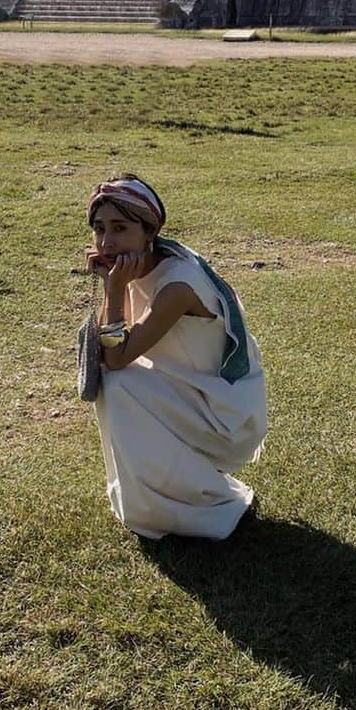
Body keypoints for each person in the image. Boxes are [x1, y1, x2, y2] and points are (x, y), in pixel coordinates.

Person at [86, 174, 267, 541]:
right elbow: (114, 349)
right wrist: (115, 285)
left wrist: (114, 288)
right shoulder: (146, 263)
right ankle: (170, 498)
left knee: (120, 382)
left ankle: (196, 505)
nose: (106, 242)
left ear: (148, 231)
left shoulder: (177, 285)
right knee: (120, 381)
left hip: (225, 416)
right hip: (195, 393)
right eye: (99, 228)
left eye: (119, 228)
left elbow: (116, 357)